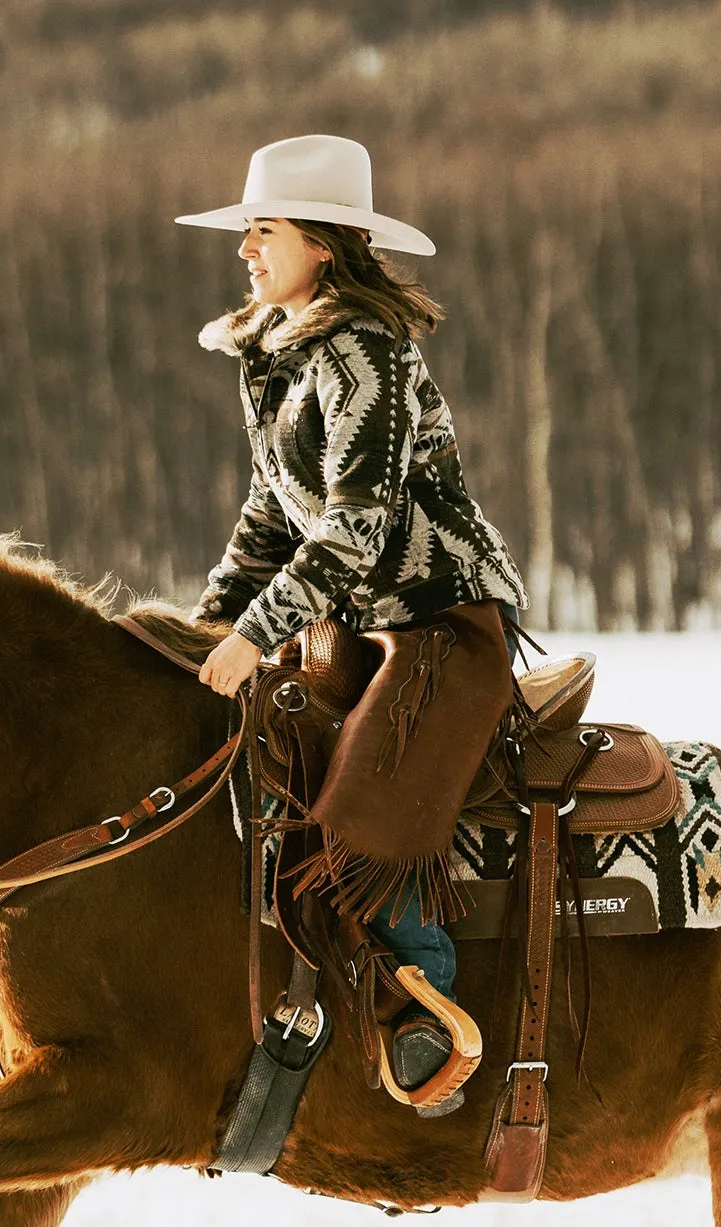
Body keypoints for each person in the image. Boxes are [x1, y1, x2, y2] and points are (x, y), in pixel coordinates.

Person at [177, 135, 527, 1113]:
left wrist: (254, 635)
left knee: (366, 812)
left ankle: (424, 1020)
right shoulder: (281, 357)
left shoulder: (362, 355)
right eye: (245, 230)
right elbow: (267, 522)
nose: (246, 249)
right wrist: (204, 628)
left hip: (433, 623)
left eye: (265, 230)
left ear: (323, 244)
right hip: (347, 624)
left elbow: (359, 528)